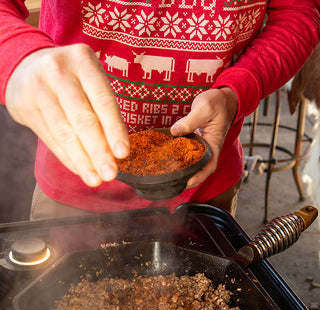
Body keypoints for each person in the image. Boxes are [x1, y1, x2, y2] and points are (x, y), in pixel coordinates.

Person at [0, 0, 319, 220]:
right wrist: (17, 55)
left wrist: (235, 92)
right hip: (74, 185)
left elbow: (297, 13)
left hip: (204, 189)